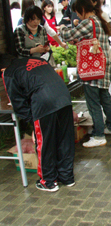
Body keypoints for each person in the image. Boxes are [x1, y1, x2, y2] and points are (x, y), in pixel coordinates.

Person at [3, 57, 75, 192]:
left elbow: (17, 102)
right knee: (65, 139)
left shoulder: (8, 72)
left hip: (45, 102)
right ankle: (67, 177)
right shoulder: (37, 60)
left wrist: (32, 120)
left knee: (45, 143)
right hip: (64, 97)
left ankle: (48, 181)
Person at [59, 0, 111, 148]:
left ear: (83, 9)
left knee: (93, 104)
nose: (77, 15)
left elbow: (68, 35)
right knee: (105, 99)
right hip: (102, 68)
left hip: (91, 71)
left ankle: (98, 135)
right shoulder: (99, 21)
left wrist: (63, 27)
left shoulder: (88, 22)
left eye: (78, 12)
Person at [89, 0, 111, 97]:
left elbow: (109, 30)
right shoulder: (88, 17)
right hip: (92, 47)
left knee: (108, 66)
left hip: (102, 45)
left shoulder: (103, 15)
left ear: (94, 2)